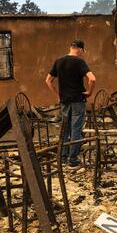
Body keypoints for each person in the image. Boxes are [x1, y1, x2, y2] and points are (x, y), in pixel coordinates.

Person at [45, 39, 96, 167]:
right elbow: (92, 79)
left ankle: (62, 157)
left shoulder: (59, 61)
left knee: (65, 129)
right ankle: (72, 160)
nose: (82, 54)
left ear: (71, 47)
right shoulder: (80, 62)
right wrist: (89, 92)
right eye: (82, 51)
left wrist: (58, 95)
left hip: (65, 101)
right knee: (76, 129)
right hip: (78, 101)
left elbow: (48, 81)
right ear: (80, 49)